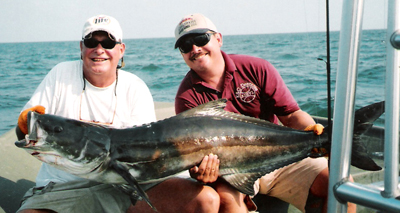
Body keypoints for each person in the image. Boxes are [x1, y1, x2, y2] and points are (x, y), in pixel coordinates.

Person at [16, 15, 219, 213]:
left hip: (122, 187)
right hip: (62, 188)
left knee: (206, 200)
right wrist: (24, 126)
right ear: (81, 47)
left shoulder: (135, 88)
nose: (99, 49)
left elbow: (146, 161)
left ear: (121, 50)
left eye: (108, 43)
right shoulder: (60, 74)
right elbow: (25, 130)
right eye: (91, 42)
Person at [173, 13, 356, 213]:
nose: (195, 49)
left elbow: (291, 114)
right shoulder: (186, 98)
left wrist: (312, 132)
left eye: (201, 39)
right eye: (185, 46)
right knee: (226, 201)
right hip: (233, 169)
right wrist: (201, 172)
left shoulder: (256, 68)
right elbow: (194, 151)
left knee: (340, 184)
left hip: (280, 156)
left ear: (218, 39)